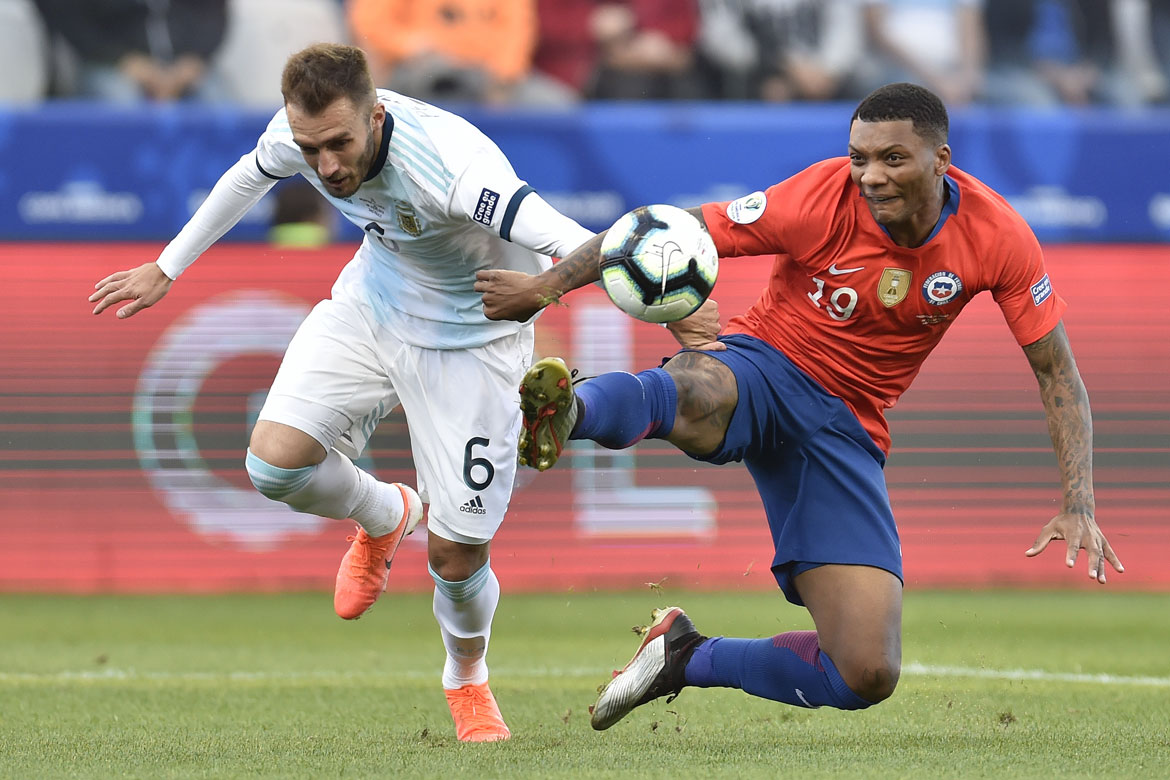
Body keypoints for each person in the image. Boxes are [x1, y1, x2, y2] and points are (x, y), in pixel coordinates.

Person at [474, 82, 1124, 729]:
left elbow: (1056, 372)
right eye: (859, 157)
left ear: (941, 161)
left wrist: (1079, 504)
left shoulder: (998, 235)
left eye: (891, 159)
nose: (870, 175)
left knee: (864, 672)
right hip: (766, 366)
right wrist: (544, 286)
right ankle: (568, 415)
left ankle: (683, 656)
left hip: (847, 426)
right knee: (698, 395)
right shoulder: (820, 195)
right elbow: (660, 230)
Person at [89, 42, 613, 743]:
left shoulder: (454, 167)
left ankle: (466, 677)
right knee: (273, 462)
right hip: (373, 306)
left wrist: (567, 290)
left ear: (376, 113)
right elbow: (249, 175)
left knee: (456, 559)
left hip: (476, 342)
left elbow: (582, 241)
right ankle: (385, 513)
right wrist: (167, 266)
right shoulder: (301, 133)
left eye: (339, 143)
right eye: (312, 150)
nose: (327, 167)